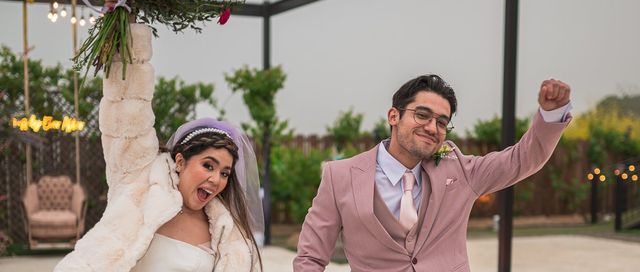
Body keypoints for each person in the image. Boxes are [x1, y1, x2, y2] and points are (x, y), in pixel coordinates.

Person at [294, 74, 572, 272]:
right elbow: (310, 257)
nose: (432, 127)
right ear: (394, 116)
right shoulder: (339, 176)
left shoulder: (460, 170)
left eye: (442, 122)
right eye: (422, 115)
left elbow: (522, 160)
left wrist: (550, 115)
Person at [54, 24, 263, 271]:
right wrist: (127, 28)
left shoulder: (227, 237)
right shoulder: (140, 184)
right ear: (180, 161)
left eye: (225, 173)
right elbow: (127, 110)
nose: (217, 179)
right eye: (208, 165)